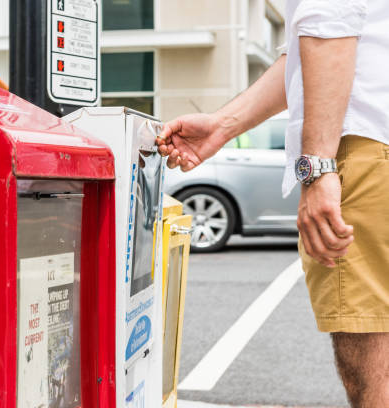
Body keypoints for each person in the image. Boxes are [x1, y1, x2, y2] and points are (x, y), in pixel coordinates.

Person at [156, 1, 389, 407]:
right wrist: (224, 125)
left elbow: (327, 23)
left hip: (364, 147)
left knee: (375, 365)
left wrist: (317, 168)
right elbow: (306, 51)